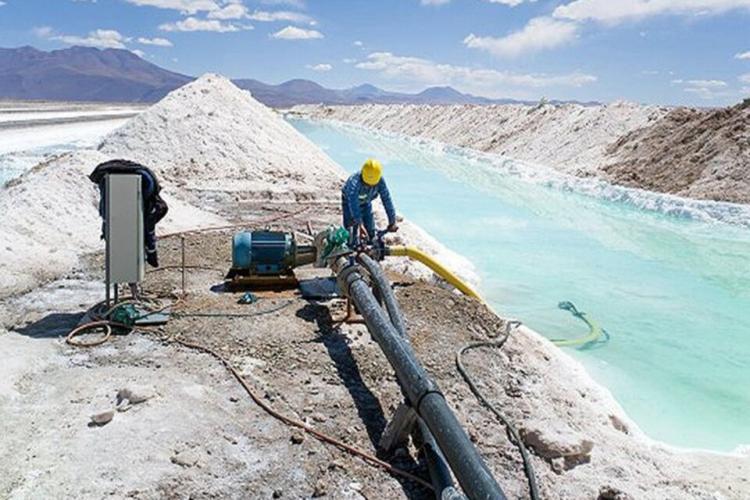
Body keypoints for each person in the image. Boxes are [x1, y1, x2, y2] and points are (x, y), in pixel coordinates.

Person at [89, 160, 168, 267]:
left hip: (123, 184)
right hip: (136, 186)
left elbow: (105, 208)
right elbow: (150, 231)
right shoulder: (150, 202)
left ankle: (123, 273)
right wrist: (151, 252)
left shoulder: (149, 191)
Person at [341, 158, 398, 244]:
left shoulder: (380, 181)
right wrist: (360, 224)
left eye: (372, 185)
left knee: (370, 230)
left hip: (366, 202)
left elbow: (386, 199)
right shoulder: (354, 183)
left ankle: (370, 247)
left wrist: (392, 221)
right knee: (351, 231)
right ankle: (351, 249)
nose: (369, 187)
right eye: (367, 185)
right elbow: (353, 204)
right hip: (348, 203)